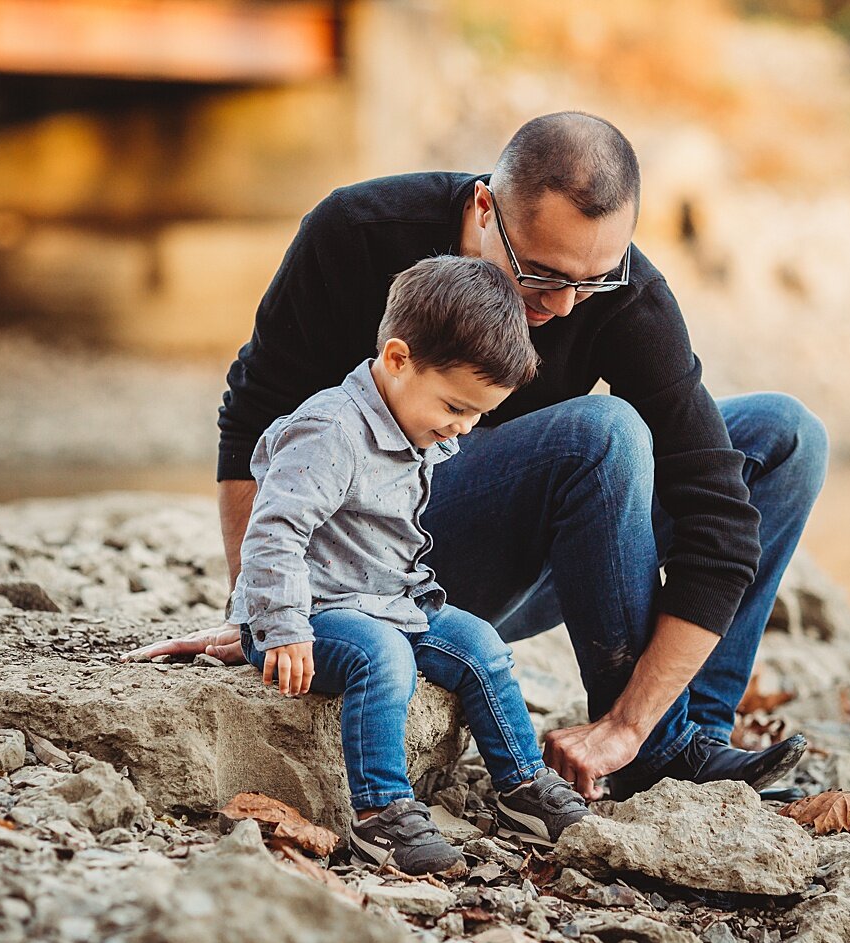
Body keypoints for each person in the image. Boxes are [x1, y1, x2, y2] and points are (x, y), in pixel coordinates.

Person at [133, 109, 825, 806]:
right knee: (606, 431)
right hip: (378, 569)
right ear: (485, 206)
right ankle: (663, 754)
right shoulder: (357, 232)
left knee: (786, 435)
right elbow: (253, 417)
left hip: (561, 553)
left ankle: (684, 736)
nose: (563, 304)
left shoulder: (620, 294)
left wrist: (628, 720)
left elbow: (719, 514)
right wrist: (259, 605)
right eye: (543, 274)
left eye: (593, 279)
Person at [231, 253, 590, 873]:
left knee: (479, 641)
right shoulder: (330, 432)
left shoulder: (415, 423)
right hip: (311, 618)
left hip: (390, 604)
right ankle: (381, 815)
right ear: (397, 360)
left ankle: (522, 787)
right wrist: (281, 627)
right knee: (382, 654)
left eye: (478, 415)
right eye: (454, 408)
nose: (461, 431)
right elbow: (273, 530)